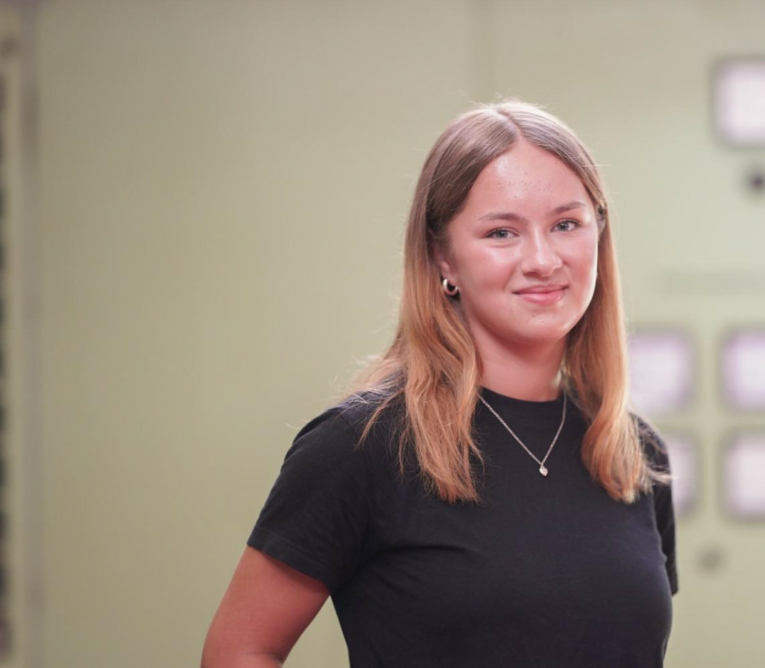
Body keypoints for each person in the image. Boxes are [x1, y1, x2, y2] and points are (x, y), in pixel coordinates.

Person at [202, 100, 679, 667]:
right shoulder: (364, 445)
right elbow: (238, 652)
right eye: (502, 232)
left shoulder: (632, 453)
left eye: (566, 224)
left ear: (599, 236)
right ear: (443, 259)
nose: (543, 259)